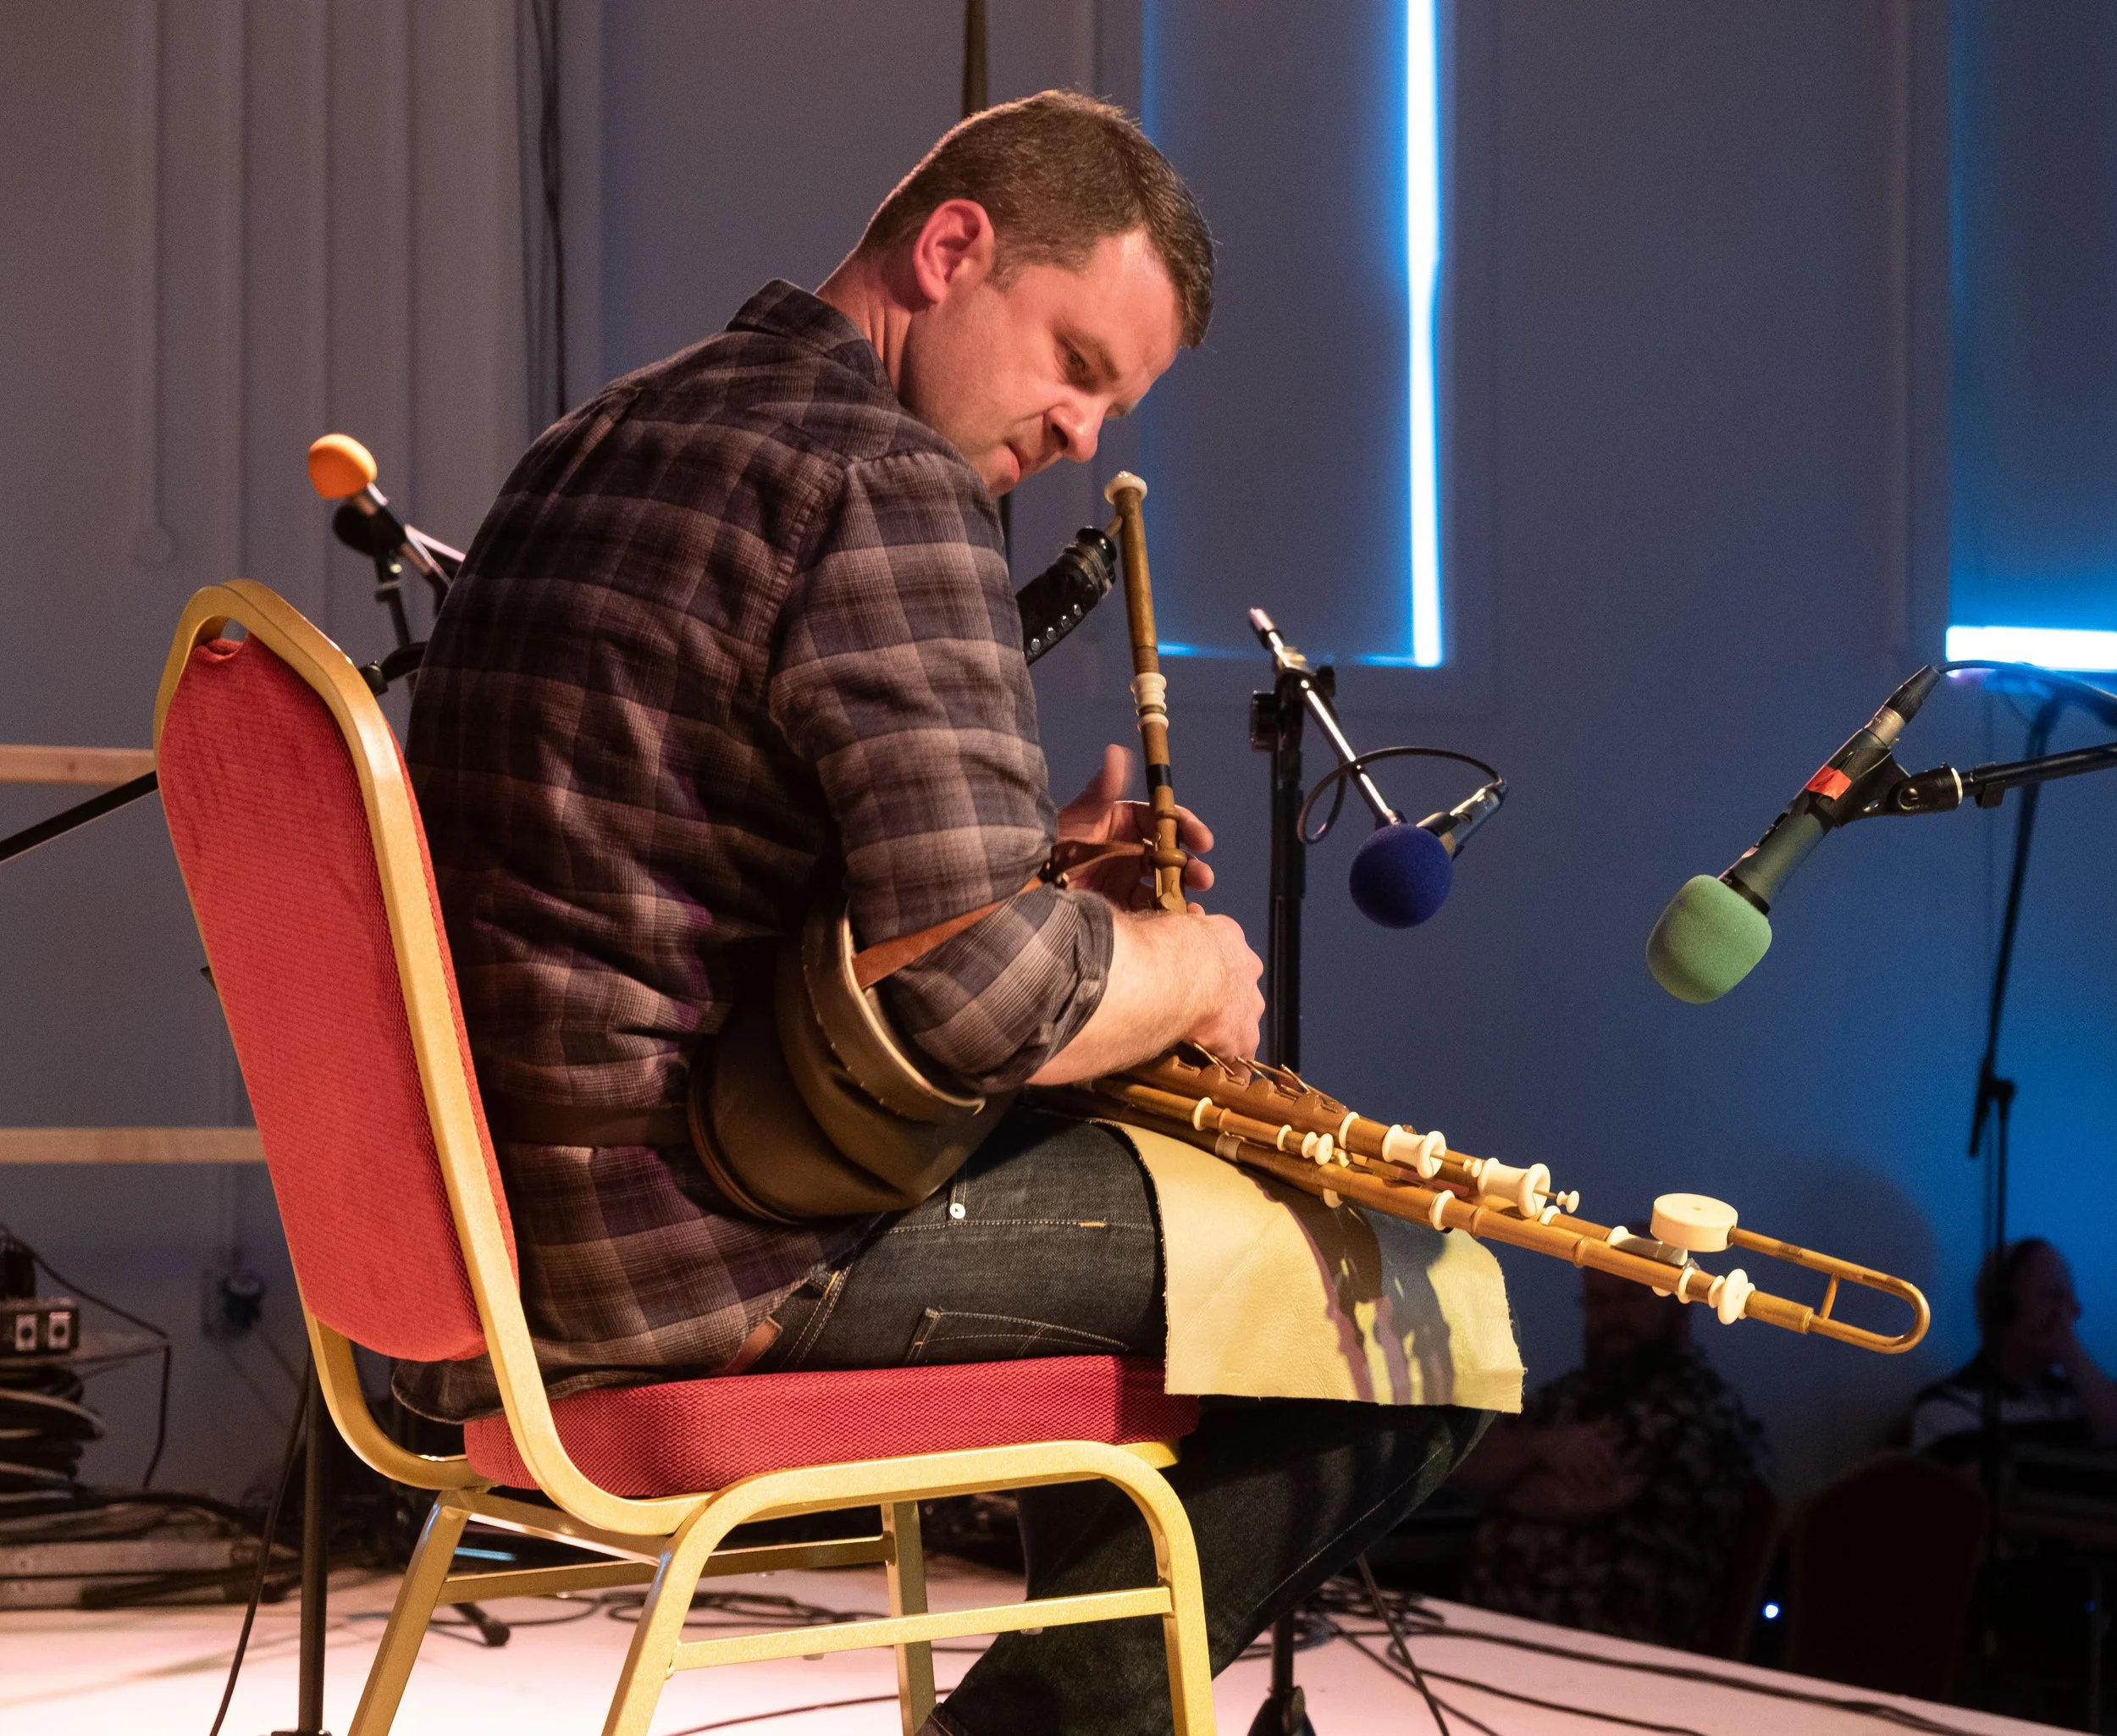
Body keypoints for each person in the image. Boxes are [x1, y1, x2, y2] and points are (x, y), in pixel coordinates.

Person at [393, 91, 1489, 1734]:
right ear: (952, 247)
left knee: (1196, 1253)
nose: (1081, 435)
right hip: (688, 1265)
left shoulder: (598, 437)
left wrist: (1031, 871)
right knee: (1417, 1293)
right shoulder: (880, 477)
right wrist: (1187, 963)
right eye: (1075, 361)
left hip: (472, 1267)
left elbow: (660, 863)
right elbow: (970, 1004)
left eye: (1111, 402)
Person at [1455, 1246, 1769, 1652]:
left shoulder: (1698, 1407)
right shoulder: (1570, 1392)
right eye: (1599, 1300)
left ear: (1681, 1304)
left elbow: (1580, 1494)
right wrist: (1539, 1446)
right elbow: (1466, 1459)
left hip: (1614, 1648)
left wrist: (1504, 1477)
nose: (1613, 1316)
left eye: (1631, 1297)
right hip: (1490, 1631)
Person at [1911, 1237, 2117, 1455]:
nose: (2074, 1309)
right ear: (2003, 1309)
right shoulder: (1948, 1409)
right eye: (2056, 1295)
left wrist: (2073, 1356)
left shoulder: (2081, 1400)